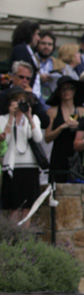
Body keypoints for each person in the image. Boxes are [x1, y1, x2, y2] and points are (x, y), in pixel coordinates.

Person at [0, 87, 44, 222]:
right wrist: (11, 117)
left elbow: (38, 138)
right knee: (13, 207)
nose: (19, 103)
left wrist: (29, 117)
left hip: (30, 166)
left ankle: (25, 239)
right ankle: (13, 240)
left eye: (22, 100)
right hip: (11, 166)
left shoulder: (33, 118)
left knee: (27, 207)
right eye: (16, 100)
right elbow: (4, 142)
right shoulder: (3, 119)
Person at [44, 76, 84, 182]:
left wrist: (79, 127)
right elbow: (47, 138)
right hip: (59, 155)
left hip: (77, 155)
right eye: (63, 89)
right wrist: (62, 127)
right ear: (58, 92)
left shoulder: (82, 111)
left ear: (74, 91)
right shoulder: (52, 112)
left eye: (70, 88)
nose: (66, 92)